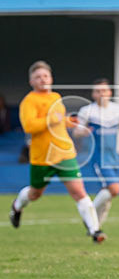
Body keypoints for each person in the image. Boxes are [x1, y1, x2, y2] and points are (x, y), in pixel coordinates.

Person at [8, 61, 105, 242]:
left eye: (45, 76)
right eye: (38, 77)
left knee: (79, 191)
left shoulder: (55, 97)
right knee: (35, 193)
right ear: (31, 81)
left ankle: (95, 231)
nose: (42, 79)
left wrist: (71, 121)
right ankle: (17, 206)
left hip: (64, 154)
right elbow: (29, 126)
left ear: (51, 78)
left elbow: (59, 121)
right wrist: (51, 118)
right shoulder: (29, 101)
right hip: (42, 157)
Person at [76, 78, 119, 226]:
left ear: (110, 92)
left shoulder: (118, 109)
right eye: (98, 91)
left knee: (109, 193)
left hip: (114, 156)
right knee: (114, 188)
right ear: (93, 94)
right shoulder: (87, 111)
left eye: (104, 90)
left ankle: (95, 228)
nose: (102, 93)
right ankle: (90, 215)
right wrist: (84, 131)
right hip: (97, 156)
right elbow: (77, 132)